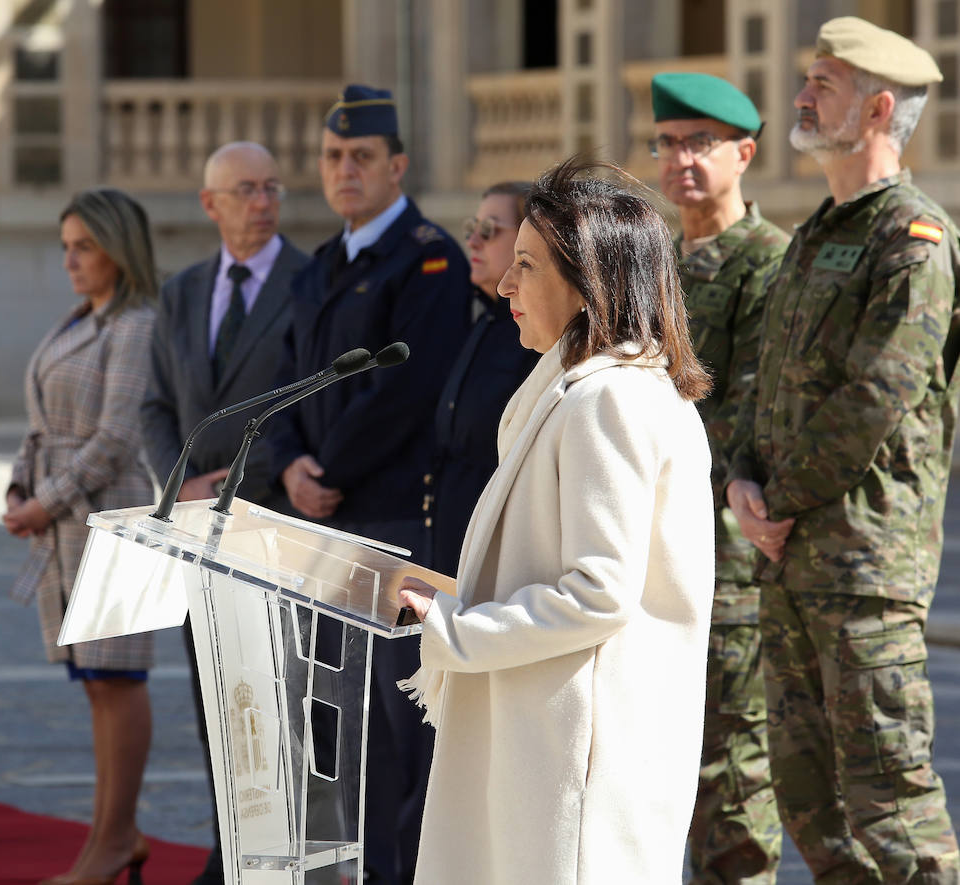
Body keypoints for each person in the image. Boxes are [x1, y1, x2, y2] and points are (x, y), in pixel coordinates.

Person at [397, 157, 714, 884]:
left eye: (527, 266)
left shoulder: (612, 400)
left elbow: (599, 594)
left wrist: (451, 628)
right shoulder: (585, 389)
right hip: (546, 738)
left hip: (577, 762)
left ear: (587, 282)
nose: (506, 284)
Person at [726, 17, 960, 881]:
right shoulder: (816, 233)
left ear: (878, 110)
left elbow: (876, 397)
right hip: (788, 563)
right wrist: (743, 482)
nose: (801, 94)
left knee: (891, 808)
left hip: (863, 570)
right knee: (812, 811)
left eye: (823, 83)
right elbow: (768, 382)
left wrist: (774, 501)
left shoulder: (914, 241)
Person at [266, 84, 472, 884]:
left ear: (398, 166)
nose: (344, 170)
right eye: (332, 157)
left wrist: (330, 471)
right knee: (338, 723)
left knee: (396, 724)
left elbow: (406, 392)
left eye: (361, 157)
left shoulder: (427, 258)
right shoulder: (324, 264)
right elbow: (289, 378)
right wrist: (289, 464)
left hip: (388, 519)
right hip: (319, 519)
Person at [140, 141, 309, 885]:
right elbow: (153, 402)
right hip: (196, 534)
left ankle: (287, 854)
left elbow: (314, 402)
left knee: (280, 703)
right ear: (210, 203)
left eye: (272, 187)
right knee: (218, 697)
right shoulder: (181, 291)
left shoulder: (312, 284)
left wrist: (235, 481)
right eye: (245, 189)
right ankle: (230, 846)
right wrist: (178, 482)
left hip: (273, 524)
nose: (263, 201)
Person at [649, 72, 790, 882]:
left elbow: (751, 412)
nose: (681, 159)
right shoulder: (657, 260)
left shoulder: (769, 262)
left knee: (731, 777)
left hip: (727, 560)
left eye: (700, 142)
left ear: (744, 151)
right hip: (649, 550)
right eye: (668, 142)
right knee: (660, 765)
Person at [3, 188, 158, 885]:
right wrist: (17, 484)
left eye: (83, 245)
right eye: (65, 245)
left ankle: (115, 837)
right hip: (66, 525)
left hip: (116, 524)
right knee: (95, 684)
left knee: (117, 680)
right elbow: (42, 421)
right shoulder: (80, 318)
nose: (69, 259)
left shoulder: (136, 323)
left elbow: (117, 440)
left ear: (118, 249)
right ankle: (110, 834)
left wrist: (44, 501)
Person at [429, 182, 539, 577]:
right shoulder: (485, 319)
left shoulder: (534, 335)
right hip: (450, 536)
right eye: (472, 227)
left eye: (490, 230)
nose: (474, 240)